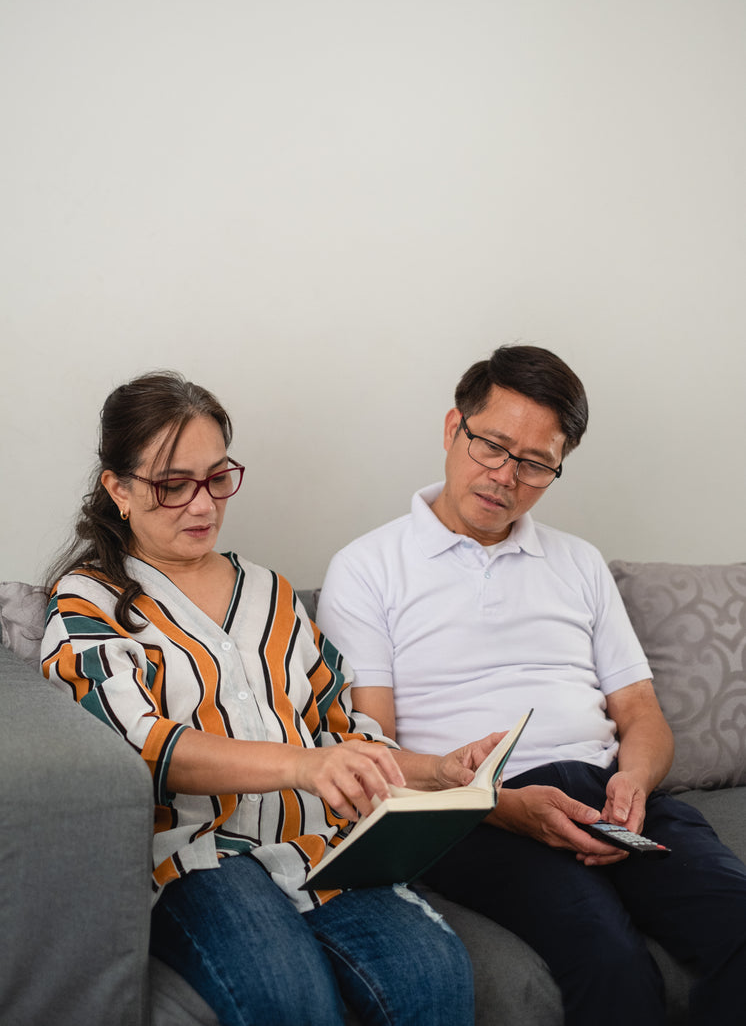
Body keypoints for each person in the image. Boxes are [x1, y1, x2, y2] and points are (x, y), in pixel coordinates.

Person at [41, 370, 500, 1026]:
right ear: (118, 488)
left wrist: (438, 769)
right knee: (293, 1001)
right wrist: (300, 764)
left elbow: (342, 726)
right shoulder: (89, 602)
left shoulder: (271, 593)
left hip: (318, 844)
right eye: (173, 485)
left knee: (437, 975)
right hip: (197, 857)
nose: (203, 505)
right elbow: (136, 743)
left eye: (217, 477)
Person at [317, 344, 746, 1026]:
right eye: (492, 446)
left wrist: (634, 783)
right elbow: (376, 746)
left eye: (536, 463)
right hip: (476, 816)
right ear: (454, 428)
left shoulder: (577, 562)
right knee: (607, 956)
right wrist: (504, 804)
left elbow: (641, 712)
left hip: (609, 794)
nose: (505, 477)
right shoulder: (368, 567)